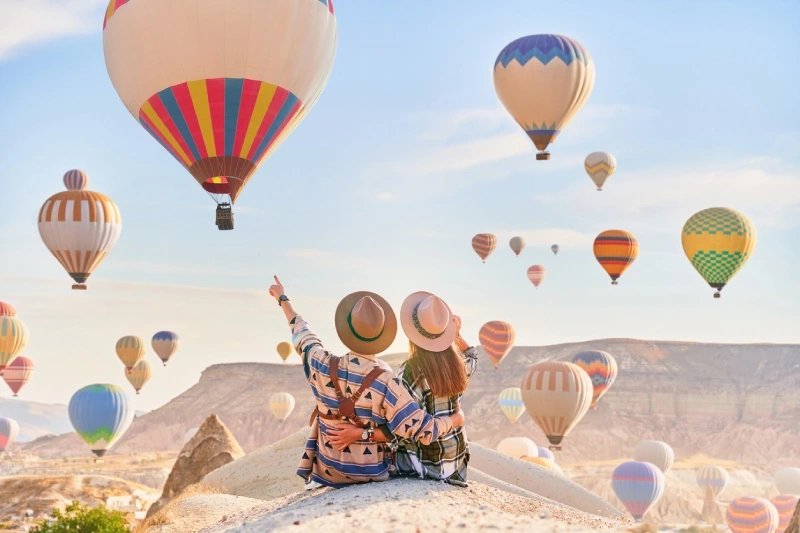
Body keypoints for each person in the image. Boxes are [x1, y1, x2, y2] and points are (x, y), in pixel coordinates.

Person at [268, 277, 465, 488]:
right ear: (382, 334)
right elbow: (425, 431)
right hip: (371, 473)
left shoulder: (319, 361)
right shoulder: (388, 382)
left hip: (329, 469)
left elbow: (302, 333)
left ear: (347, 328)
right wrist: (456, 419)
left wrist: (283, 299)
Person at [327, 292, 477, 487]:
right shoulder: (458, 364)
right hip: (456, 463)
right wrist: (456, 336)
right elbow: (472, 358)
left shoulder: (411, 372)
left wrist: (359, 434)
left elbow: (399, 430)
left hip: (424, 466)